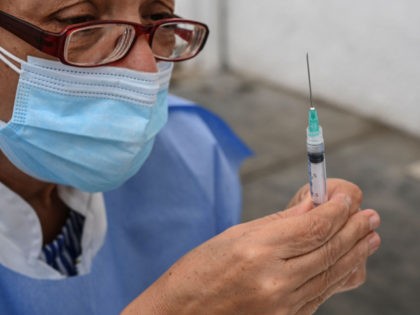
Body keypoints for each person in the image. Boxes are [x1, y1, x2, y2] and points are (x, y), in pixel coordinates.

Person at [0, 1, 381, 314]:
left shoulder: (188, 154)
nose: (145, 70)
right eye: (79, 21)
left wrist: (292, 274)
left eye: (157, 18)